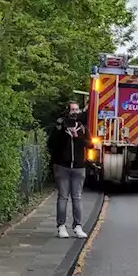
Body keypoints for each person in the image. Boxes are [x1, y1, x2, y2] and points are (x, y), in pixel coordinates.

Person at [48, 102, 87, 238]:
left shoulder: (82, 127)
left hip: (78, 167)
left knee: (77, 197)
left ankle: (77, 226)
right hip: (62, 166)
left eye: (77, 109)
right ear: (67, 111)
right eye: (73, 110)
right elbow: (51, 144)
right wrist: (62, 133)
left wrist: (77, 136)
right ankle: (61, 226)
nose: (75, 112)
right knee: (63, 197)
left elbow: (90, 144)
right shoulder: (60, 126)